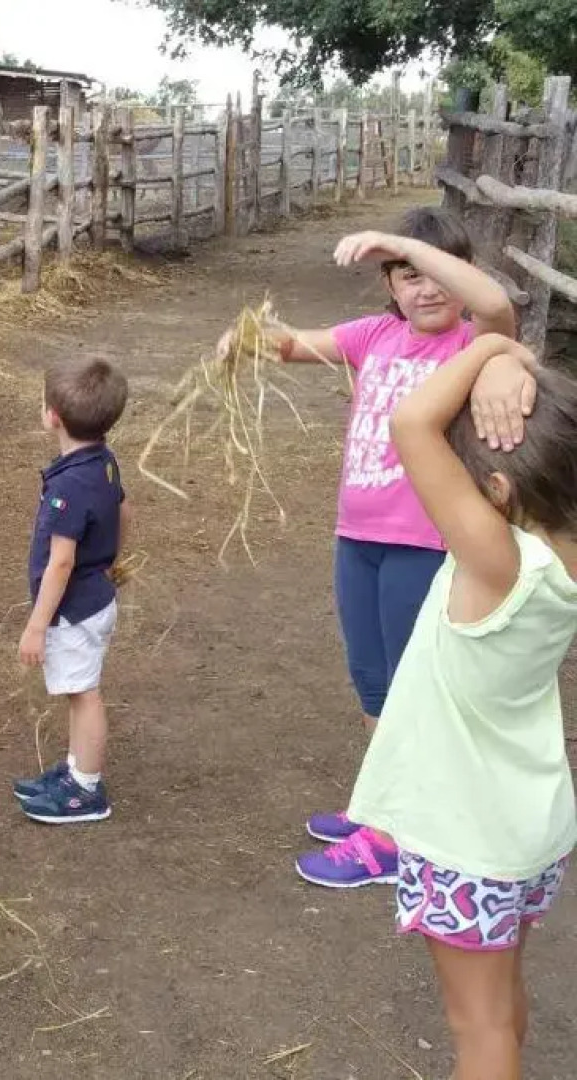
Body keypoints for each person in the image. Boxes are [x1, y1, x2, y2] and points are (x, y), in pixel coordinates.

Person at [237, 208, 527, 888]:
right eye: (405, 276)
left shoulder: (472, 347)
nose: (423, 289)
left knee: (412, 689)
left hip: (422, 543)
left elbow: (495, 302)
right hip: (356, 535)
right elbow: (289, 346)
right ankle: (383, 803)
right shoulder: (375, 336)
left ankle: (395, 835)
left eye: (434, 273)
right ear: (388, 287)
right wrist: (245, 339)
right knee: (370, 678)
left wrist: (401, 242)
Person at [344, 331, 577, 1079]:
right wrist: (515, 368)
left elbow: (410, 423)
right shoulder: (558, 554)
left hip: (464, 838)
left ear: (497, 495)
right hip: (526, 824)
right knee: (501, 1009)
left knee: (475, 1032)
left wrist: (494, 347)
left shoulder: (496, 561)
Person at [12, 358, 130, 824]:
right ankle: (77, 769)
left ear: (51, 415)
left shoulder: (69, 485)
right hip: (94, 597)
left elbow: (61, 561)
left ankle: (86, 790)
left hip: (74, 609)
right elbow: (126, 512)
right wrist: (114, 560)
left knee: (83, 694)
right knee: (79, 690)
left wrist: (36, 626)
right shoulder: (102, 463)